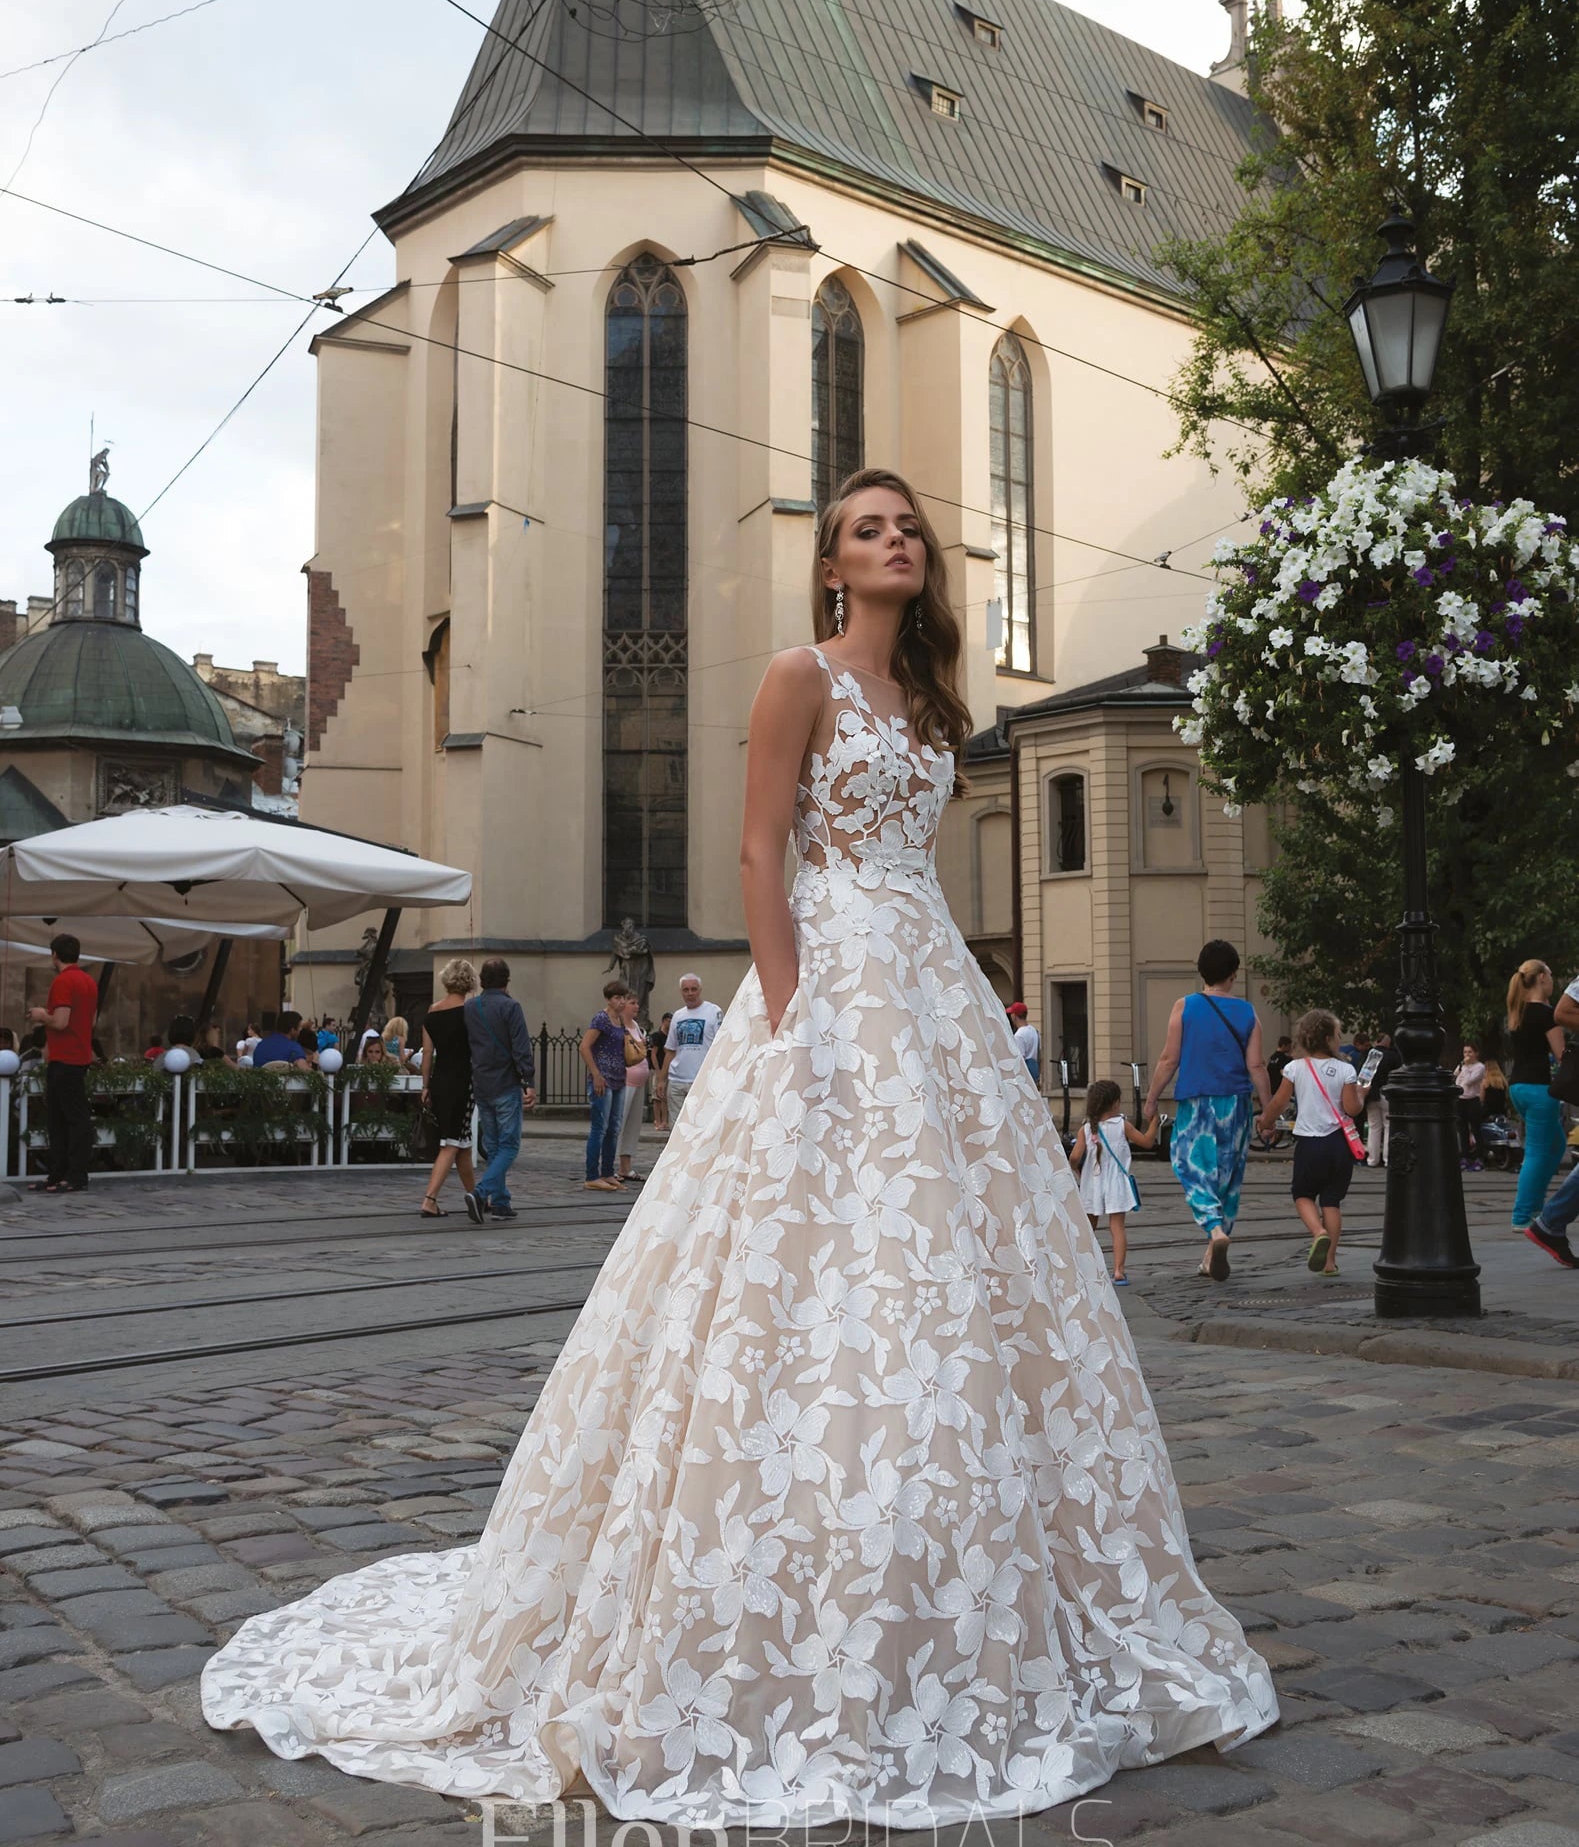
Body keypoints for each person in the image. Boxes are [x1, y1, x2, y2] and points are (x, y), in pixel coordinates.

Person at [203, 464, 1275, 1823]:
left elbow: (911, 867)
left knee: (944, 1272)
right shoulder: (798, 676)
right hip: (826, 974)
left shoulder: (933, 703)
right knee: (785, 1257)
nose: (891, 541)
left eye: (906, 528)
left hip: (924, 982)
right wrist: (795, 1015)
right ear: (830, 565)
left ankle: (958, 1574)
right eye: (864, 529)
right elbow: (761, 853)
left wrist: (945, 996)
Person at [1144, 939, 1272, 1282]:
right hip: (1237, 1107)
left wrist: (1152, 1097)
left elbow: (1169, 1058)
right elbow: (1257, 1066)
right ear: (1233, 974)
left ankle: (1215, 1232)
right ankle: (1209, 1256)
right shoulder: (1248, 1013)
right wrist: (1268, 1111)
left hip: (1197, 1104)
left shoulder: (1184, 1007)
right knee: (1228, 1179)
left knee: (1191, 1166)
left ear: (1201, 972)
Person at [1261, 1008, 1365, 1276]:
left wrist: (1266, 1122)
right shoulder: (1346, 1069)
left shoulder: (1294, 1068)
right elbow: (1352, 1110)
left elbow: (1279, 1103)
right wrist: (1362, 1094)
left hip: (1309, 1144)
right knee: (1331, 1201)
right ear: (1331, 1038)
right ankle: (1329, 1262)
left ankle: (1318, 1232)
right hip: (1339, 1146)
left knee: (1303, 1194)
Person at [465, 959, 537, 1221]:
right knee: (509, 1145)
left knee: (493, 1146)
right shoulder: (511, 1007)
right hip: (505, 1083)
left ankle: (501, 1201)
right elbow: (520, 1047)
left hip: (481, 1082)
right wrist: (528, 1081)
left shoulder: (471, 1007)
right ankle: (481, 1192)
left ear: (482, 980)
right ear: (507, 979)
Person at [26, 933, 97, 1195]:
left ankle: (73, 1175)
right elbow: (90, 1021)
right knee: (62, 1118)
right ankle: (59, 1174)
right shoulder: (88, 981)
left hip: (65, 1057)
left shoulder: (63, 982)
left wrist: (40, 1015)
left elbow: (61, 1021)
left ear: (54, 954)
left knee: (67, 1120)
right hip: (77, 1056)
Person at [1072, 1078, 1158, 1285]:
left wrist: (1078, 1172)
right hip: (1115, 1184)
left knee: (1088, 1227)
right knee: (1117, 1227)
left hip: (1091, 1184)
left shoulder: (1085, 1129)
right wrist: (1155, 1122)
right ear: (1115, 1104)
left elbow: (1074, 1158)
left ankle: (1083, 1266)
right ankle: (1119, 1271)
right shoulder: (1122, 1125)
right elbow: (1146, 1142)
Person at [1505, 959, 1567, 1230]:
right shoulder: (1546, 1014)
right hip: (1540, 1089)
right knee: (1538, 1153)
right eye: (1551, 975)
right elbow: (1562, 1055)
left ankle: (1536, 1205)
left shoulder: (1518, 1012)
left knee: (1556, 1146)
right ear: (1542, 977)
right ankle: (1522, 1216)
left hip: (1518, 1087)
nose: (1553, 981)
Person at [418, 960, 482, 1220]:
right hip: (462, 1080)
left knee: (462, 1143)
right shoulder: (471, 1012)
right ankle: (430, 1199)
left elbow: (427, 1054)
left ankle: (476, 1196)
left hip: (440, 1079)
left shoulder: (432, 1012)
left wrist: (425, 1086)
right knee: (452, 1143)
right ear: (470, 982)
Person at [579, 981, 632, 1192]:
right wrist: (596, 1073)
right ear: (609, 999)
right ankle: (592, 1175)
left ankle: (608, 1172)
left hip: (619, 1078)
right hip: (603, 1079)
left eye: (623, 998)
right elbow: (584, 1046)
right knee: (599, 1128)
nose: (621, 1002)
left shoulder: (620, 1020)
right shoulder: (601, 1019)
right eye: (617, 998)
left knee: (614, 1127)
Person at [659, 973, 722, 1120]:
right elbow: (670, 1050)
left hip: (702, 1080)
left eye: (694, 989)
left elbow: (720, 1047)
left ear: (700, 990)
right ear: (681, 992)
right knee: (676, 1129)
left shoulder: (714, 1012)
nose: (690, 993)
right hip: (677, 1082)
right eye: (686, 990)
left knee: (701, 1126)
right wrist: (662, 1079)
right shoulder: (678, 1016)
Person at [614, 996, 650, 1183]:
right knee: (618, 1123)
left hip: (639, 1081)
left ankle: (625, 1166)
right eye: (633, 1003)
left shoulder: (636, 1025)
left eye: (637, 1002)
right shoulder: (618, 1026)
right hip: (625, 1080)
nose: (637, 1006)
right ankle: (607, 1166)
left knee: (633, 1126)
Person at [1364, 1030, 1402, 1168]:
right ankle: (1387, 1159)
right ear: (1387, 1042)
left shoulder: (1371, 1055)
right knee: (1388, 1126)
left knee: (1374, 1127)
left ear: (1377, 1041)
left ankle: (1372, 1159)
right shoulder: (1393, 1056)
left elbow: (1364, 1077)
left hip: (1371, 1095)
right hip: (1387, 1094)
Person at [1456, 1042, 1487, 1170]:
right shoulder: (1463, 1066)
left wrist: (1467, 1068)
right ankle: (1465, 1156)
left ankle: (1479, 1158)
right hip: (1461, 1100)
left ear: (1476, 1053)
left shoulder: (1479, 1067)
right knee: (1463, 1130)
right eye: (1465, 1052)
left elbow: (1469, 1081)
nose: (1467, 1055)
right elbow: (1456, 1078)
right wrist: (1462, 1066)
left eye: (1470, 1052)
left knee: (1475, 1129)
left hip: (1473, 1099)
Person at [1007, 1000, 1041, 1087]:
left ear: (1014, 1016)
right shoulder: (1034, 1031)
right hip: (1034, 1069)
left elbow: (1019, 1059)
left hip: (1025, 1073)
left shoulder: (1019, 1035)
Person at [648, 1011, 672, 1129]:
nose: (670, 1023)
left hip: (668, 1069)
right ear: (663, 1021)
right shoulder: (657, 1036)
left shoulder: (670, 1037)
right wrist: (657, 1070)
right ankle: (657, 1120)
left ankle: (665, 1121)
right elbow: (653, 1053)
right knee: (657, 1097)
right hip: (659, 1068)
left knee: (665, 1097)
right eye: (668, 1020)